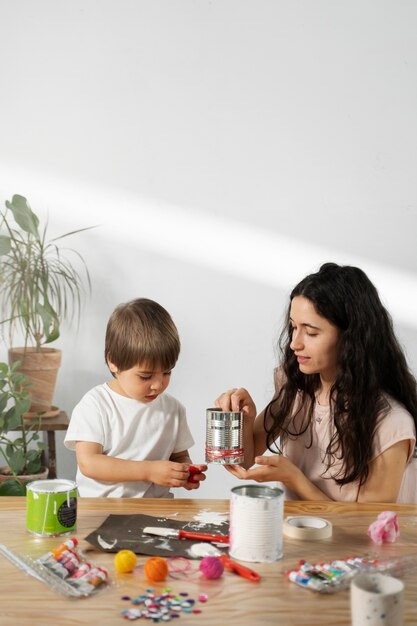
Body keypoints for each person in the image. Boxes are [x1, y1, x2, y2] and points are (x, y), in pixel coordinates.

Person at [215, 263, 417, 503]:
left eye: (310, 332)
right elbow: (246, 459)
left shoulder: (390, 423)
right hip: (296, 535)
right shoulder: (296, 391)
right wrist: (244, 422)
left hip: (349, 541)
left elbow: (367, 525)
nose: (294, 344)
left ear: (351, 337)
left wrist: (295, 479)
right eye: (293, 328)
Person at [65, 298, 206, 497]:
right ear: (113, 362)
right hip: (103, 512)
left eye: (166, 373)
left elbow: (179, 455)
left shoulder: (173, 409)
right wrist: (149, 471)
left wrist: (183, 471)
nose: (158, 385)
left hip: (157, 509)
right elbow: (89, 463)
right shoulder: (95, 405)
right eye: (146, 376)